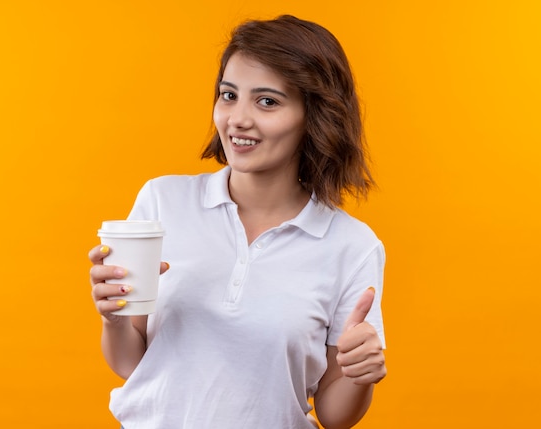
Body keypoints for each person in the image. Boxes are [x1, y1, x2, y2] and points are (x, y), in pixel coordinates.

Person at [89, 14, 387, 429]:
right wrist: (114, 318)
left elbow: (336, 417)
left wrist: (361, 373)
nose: (238, 119)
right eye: (229, 95)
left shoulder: (351, 246)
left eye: (267, 101)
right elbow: (130, 364)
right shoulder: (163, 201)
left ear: (314, 116)